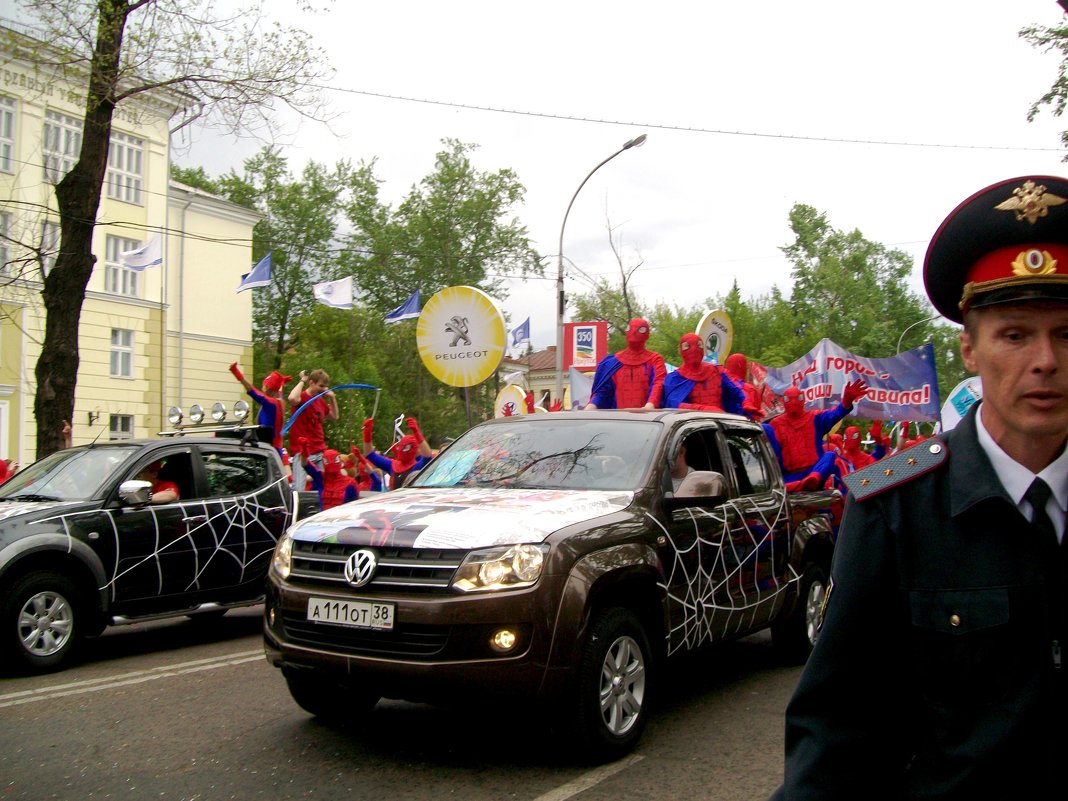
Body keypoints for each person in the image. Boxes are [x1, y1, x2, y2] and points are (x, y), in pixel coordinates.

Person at [772, 175, 1068, 799]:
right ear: (970, 350)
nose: (1045, 360)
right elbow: (840, 731)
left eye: (1066, 334)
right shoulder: (896, 506)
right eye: (1014, 335)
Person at [762, 380, 868, 491]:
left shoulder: (814, 417)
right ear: (784, 401)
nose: (793, 402)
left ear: (802, 399)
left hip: (814, 471)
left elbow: (833, 414)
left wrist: (846, 401)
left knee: (830, 456)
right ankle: (800, 484)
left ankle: (812, 479)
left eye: (797, 398)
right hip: (790, 476)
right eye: (789, 399)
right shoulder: (775, 425)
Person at [586, 318, 667, 410]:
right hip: (620, 419)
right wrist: (592, 406)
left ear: (647, 334)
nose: (634, 333)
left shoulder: (654, 360)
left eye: (640, 329)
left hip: (647, 418)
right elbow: (604, 391)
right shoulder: (613, 362)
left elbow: (658, 383)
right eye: (630, 328)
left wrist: (650, 405)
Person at [663, 333, 747, 414]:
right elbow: (672, 403)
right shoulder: (675, 378)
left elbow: (736, 389)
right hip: (694, 424)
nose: (694, 350)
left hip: (721, 419)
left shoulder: (717, 370)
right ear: (681, 350)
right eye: (687, 346)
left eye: (699, 345)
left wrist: (747, 402)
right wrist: (703, 409)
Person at [286, 368, 340, 491]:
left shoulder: (320, 401)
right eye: (321, 386)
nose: (324, 389)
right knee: (299, 488)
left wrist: (332, 398)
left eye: (325, 387)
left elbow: (334, 416)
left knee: (325, 486)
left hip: (320, 451)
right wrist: (302, 380)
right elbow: (292, 399)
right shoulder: (302, 397)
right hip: (303, 453)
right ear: (311, 383)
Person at [228, 363, 290, 453]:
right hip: (275, 447)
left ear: (269, 388)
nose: (262, 388)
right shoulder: (280, 401)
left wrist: (236, 372)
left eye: (264, 386)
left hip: (270, 448)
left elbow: (251, 389)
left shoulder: (270, 403)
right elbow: (279, 391)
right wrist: (282, 381)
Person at [362, 416, 432, 489]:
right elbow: (370, 454)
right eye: (401, 446)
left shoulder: (417, 467)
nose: (402, 450)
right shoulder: (392, 465)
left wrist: (417, 433)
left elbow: (427, 456)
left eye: (406, 447)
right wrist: (367, 434)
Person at [297, 440, 359, 510]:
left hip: (344, 518)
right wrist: (304, 451)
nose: (331, 463)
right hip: (324, 518)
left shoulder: (351, 483)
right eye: (327, 461)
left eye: (335, 460)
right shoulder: (321, 478)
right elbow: (306, 465)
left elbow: (355, 507)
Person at [724, 352, 765, 421]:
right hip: (744, 426)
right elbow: (756, 417)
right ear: (743, 367)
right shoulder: (751, 390)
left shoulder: (720, 383)